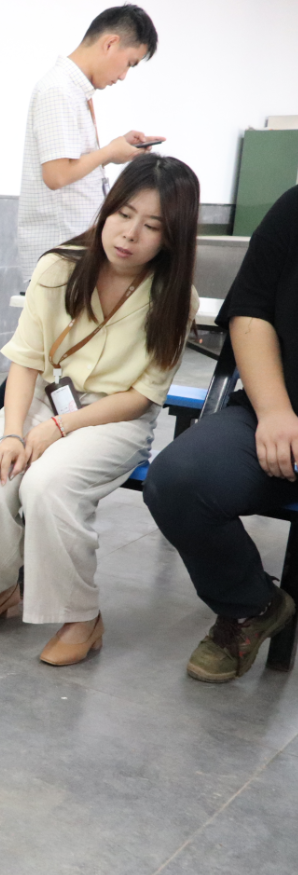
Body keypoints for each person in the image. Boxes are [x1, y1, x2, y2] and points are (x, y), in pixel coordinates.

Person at [0, 153, 199, 666]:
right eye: (124, 214)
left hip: (115, 416)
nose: (129, 234)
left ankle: (82, 617)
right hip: (45, 396)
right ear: (108, 209)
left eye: (152, 225)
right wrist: (12, 433)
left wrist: (57, 428)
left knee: (49, 486)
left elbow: (141, 396)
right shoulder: (58, 267)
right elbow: (26, 361)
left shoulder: (177, 297)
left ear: (172, 236)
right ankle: (1, 590)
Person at [0, 4, 161, 469]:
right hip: (61, 249)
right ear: (111, 43)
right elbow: (57, 175)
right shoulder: (58, 89)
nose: (123, 76)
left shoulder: (74, 91)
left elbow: (72, 167)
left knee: (50, 352)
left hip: (78, 246)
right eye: (129, 63)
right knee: (43, 353)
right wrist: (110, 152)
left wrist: (114, 151)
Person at [143, 186, 298, 683]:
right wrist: (274, 411)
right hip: (276, 411)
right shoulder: (293, 208)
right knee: (179, 480)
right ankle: (251, 605)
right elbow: (250, 311)